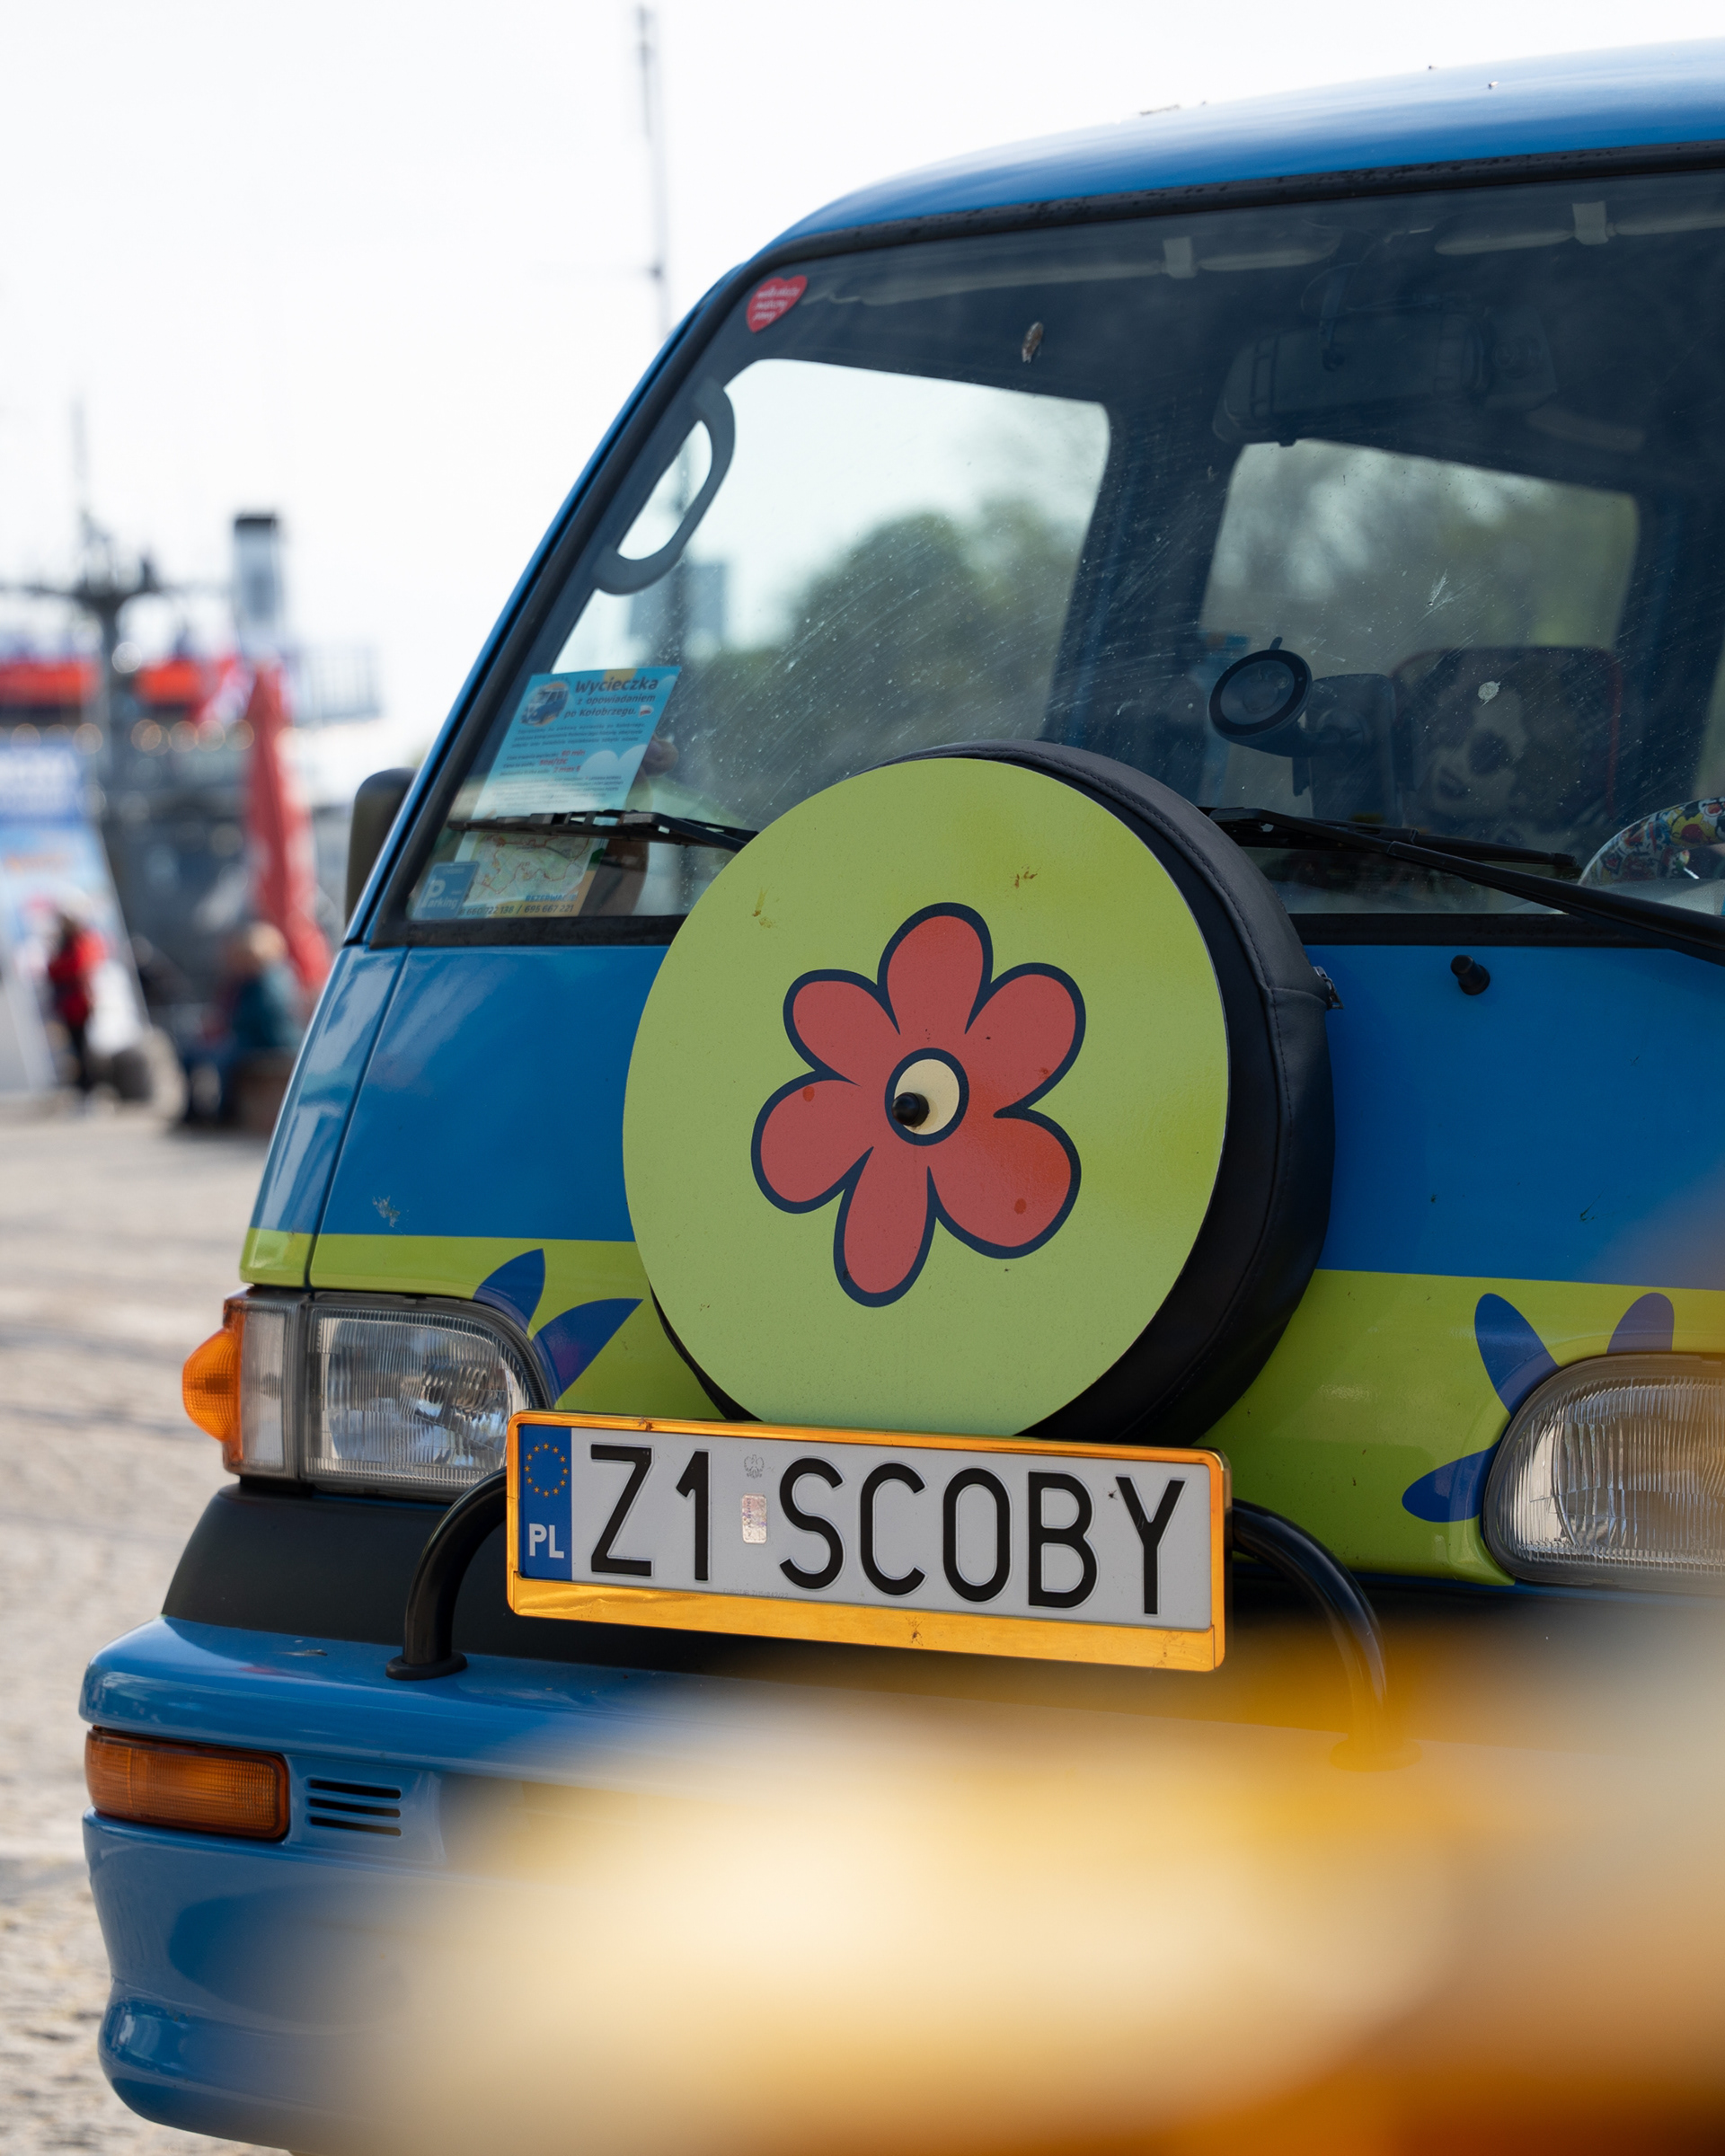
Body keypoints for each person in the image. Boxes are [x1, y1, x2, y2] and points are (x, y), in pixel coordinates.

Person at [182, 922, 304, 1127]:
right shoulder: (243, 980)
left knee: (223, 1058)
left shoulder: (271, 980)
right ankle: (193, 1109)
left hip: (270, 1039)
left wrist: (225, 1024)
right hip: (247, 1036)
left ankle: (226, 1112)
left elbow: (263, 1017)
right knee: (191, 1053)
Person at [46, 909, 103, 1100]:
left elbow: (77, 966)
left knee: (84, 1046)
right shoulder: (64, 944)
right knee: (76, 1046)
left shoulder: (79, 942)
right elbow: (52, 970)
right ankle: (84, 1086)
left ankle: (91, 1086)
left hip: (79, 1004)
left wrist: (59, 966)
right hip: (69, 1005)